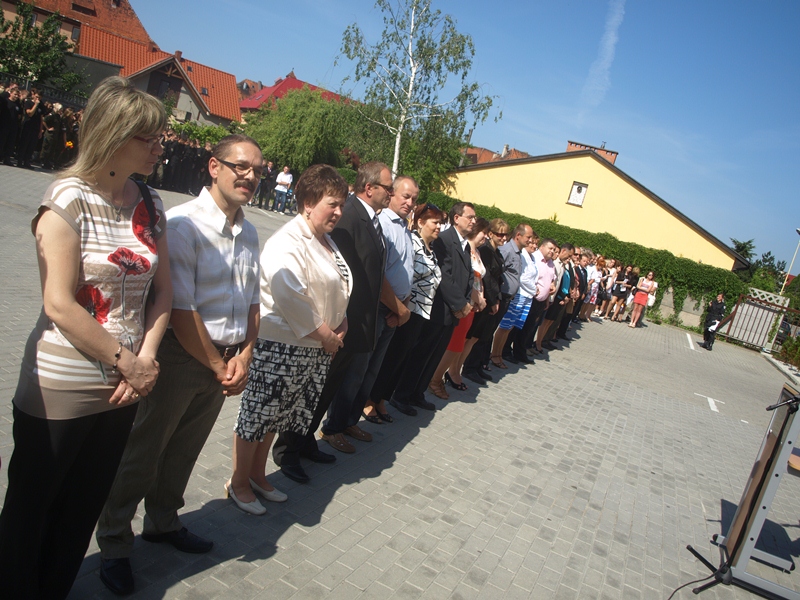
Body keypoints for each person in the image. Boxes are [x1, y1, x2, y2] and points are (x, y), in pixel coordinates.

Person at [0, 76, 171, 600]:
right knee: (32, 509)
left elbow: (163, 292)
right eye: (150, 138)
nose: (160, 147)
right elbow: (58, 303)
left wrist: (146, 359)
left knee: (81, 507)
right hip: (63, 384)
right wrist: (128, 361)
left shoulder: (151, 202)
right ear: (115, 135)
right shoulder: (67, 199)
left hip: (123, 386)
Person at [96, 134, 263, 595]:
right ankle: (114, 542)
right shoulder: (184, 224)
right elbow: (181, 308)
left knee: (184, 450)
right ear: (214, 166)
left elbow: (254, 301)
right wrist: (217, 364)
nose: (249, 176)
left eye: (257, 170)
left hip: (225, 362)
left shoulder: (249, 232)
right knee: (144, 452)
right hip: (181, 356)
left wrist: (245, 354)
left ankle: (163, 521)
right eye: (241, 166)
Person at [227, 165, 352, 514]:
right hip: (281, 345)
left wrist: (341, 324)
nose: (338, 212)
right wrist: (328, 335)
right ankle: (238, 482)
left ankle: (257, 475)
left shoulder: (325, 240)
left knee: (279, 416)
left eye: (342, 205)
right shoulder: (287, 241)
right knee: (257, 416)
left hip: (312, 347)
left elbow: (338, 288)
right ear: (309, 203)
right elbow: (290, 296)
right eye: (332, 204)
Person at [272, 162, 390, 479]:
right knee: (308, 392)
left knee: (324, 391)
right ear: (369, 187)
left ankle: (305, 440)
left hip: (348, 325)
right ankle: (288, 450)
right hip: (331, 327)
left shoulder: (368, 219)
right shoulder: (349, 217)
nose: (337, 210)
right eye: (388, 188)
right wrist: (333, 326)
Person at [390, 202, 475, 412]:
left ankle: (417, 393)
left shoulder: (464, 244)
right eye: (470, 217)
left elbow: (467, 277)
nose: (474, 221)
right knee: (419, 353)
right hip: (438, 307)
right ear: (457, 218)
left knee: (433, 355)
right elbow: (444, 275)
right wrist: (460, 303)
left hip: (452, 312)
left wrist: (465, 302)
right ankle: (401, 395)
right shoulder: (444, 240)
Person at [374, 202, 444, 416]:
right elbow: (402, 277)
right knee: (391, 359)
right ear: (420, 222)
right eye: (435, 222)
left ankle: (382, 399)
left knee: (400, 359)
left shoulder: (431, 249)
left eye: (441, 223)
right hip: (405, 311)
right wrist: (398, 310)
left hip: (421, 313)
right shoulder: (412, 243)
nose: (439, 227)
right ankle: (372, 399)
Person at [361, 175, 417, 424]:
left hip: (395, 309)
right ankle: (348, 416)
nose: (410, 203)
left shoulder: (404, 227)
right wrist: (399, 308)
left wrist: (403, 306)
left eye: (414, 198)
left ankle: (359, 411)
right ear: (392, 193)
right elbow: (378, 273)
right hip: (381, 308)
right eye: (405, 196)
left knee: (375, 368)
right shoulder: (382, 223)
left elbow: (405, 269)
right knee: (362, 368)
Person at [433, 217, 490, 395]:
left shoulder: (475, 252)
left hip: (472, 305)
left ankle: (441, 377)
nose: (486, 237)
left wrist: (480, 298)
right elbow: (466, 280)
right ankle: (435, 380)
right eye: (483, 233)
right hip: (464, 304)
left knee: (459, 345)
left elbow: (478, 280)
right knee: (454, 346)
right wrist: (477, 298)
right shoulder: (466, 250)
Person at [461, 218, 509, 384]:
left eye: (505, 235)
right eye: (500, 234)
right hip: (485, 299)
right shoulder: (486, 250)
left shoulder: (496, 252)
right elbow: (487, 278)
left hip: (490, 299)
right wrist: (493, 300)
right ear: (491, 234)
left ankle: (477, 365)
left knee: (483, 335)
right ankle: (469, 367)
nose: (503, 238)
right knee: (475, 336)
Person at [490, 224, 533, 368]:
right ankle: (491, 356)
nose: (530, 240)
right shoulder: (507, 250)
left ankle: (497, 355)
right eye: (528, 237)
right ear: (518, 236)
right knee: (493, 330)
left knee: (506, 328)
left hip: (509, 297)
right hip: (501, 296)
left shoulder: (518, 253)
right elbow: (497, 272)